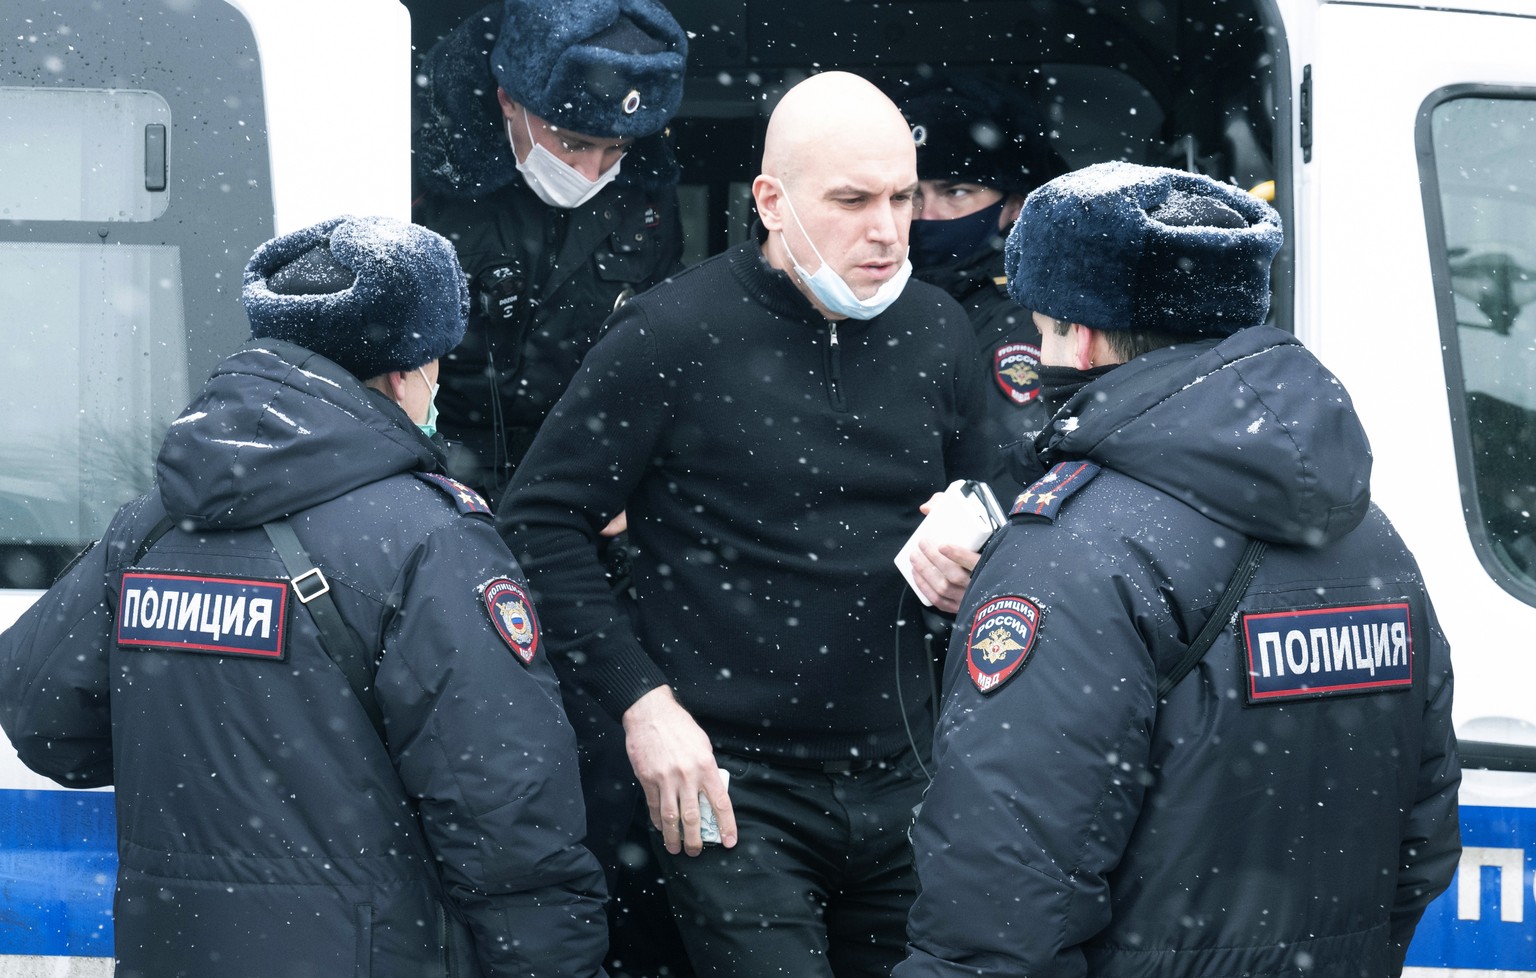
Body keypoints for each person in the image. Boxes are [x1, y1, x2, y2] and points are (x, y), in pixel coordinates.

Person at [0, 216, 609, 978]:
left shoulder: (149, 528)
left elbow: (42, 719)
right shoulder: (430, 538)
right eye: (437, 363)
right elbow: (507, 816)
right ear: (402, 371)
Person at [894, 162, 1462, 978]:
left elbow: (998, 911)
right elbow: (1423, 840)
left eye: (1046, 329)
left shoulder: (1069, 555)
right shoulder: (1373, 540)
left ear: (1080, 338)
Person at [497, 71, 1001, 978]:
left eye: (901, 196)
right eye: (852, 201)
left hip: (906, 771)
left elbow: (1004, 491)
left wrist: (979, 534)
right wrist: (642, 706)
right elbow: (539, 523)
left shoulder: (939, 330)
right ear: (771, 200)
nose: (888, 230)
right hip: (728, 784)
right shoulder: (672, 332)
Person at [413, 0, 688, 500]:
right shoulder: (419, 184)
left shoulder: (644, 196)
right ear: (507, 100)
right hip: (434, 473)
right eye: (572, 143)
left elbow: (667, 349)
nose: (593, 172)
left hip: (582, 470)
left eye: (616, 149)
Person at [899, 73, 1069, 465]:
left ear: (1016, 204)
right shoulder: (866, 295)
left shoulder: (1038, 315)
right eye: (910, 195)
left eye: (955, 191)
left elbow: (1004, 478)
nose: (926, 215)